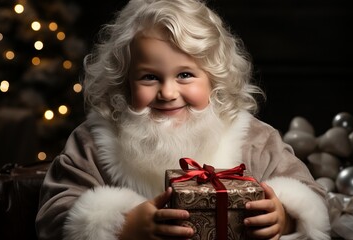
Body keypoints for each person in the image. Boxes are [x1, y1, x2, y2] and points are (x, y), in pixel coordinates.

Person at [35, 0, 331, 239]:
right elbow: (53, 216)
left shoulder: (254, 138)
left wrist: (286, 217)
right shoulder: (93, 143)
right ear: (124, 81)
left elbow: (311, 196)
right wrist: (121, 227)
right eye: (149, 77)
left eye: (185, 75)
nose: (167, 92)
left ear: (213, 77)